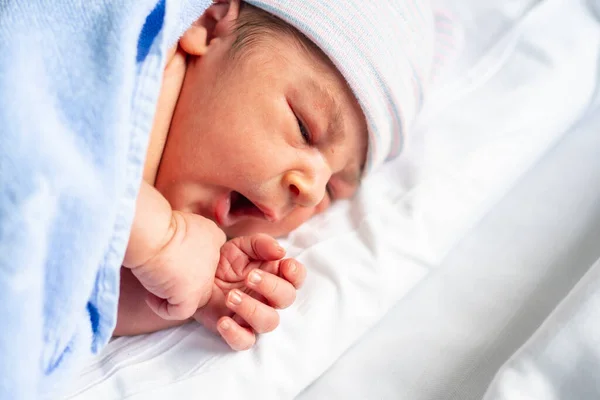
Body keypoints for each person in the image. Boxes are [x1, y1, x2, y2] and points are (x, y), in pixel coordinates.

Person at [0, 0, 435, 398]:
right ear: (206, 22)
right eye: (306, 128)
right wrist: (159, 238)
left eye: (333, 192)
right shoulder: (95, 43)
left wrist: (177, 298)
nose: (312, 189)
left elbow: (63, 295)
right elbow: (27, 143)